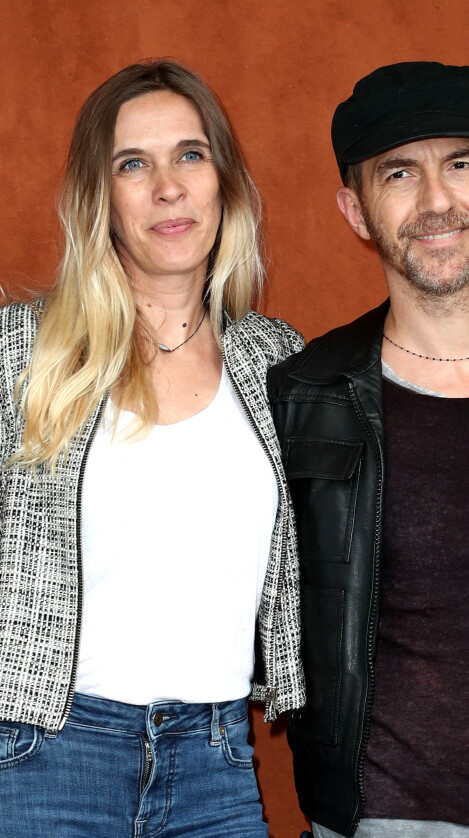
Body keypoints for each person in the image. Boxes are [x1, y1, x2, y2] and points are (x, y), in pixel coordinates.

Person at [267, 62, 469, 838]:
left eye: (461, 165)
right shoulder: (305, 394)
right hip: (373, 826)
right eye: (400, 173)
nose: (437, 201)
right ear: (355, 209)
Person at [0, 59, 306, 837]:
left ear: (223, 183)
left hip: (217, 763)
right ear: (99, 199)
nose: (168, 186)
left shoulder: (279, 362)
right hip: (43, 758)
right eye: (132, 164)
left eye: (190, 155)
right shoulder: (20, 353)